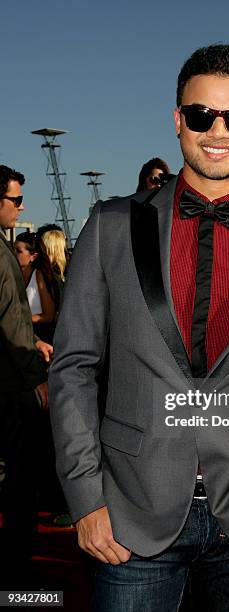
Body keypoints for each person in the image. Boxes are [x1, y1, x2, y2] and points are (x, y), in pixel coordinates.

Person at [49, 44, 229, 612]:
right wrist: (84, 496)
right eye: (202, 114)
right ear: (178, 121)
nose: (218, 130)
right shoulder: (110, 226)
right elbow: (74, 366)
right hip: (130, 512)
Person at [0, 165, 50, 588]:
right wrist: (36, 372)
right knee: (19, 476)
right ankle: (17, 571)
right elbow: (8, 320)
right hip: (10, 384)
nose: (21, 207)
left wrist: (32, 340)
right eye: (16, 200)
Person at [14, 231, 57, 344]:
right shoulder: (14, 276)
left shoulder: (39, 275)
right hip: (22, 336)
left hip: (43, 338)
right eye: (12, 249)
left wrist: (22, 319)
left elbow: (49, 316)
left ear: (33, 256)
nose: (13, 254)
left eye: (18, 251)